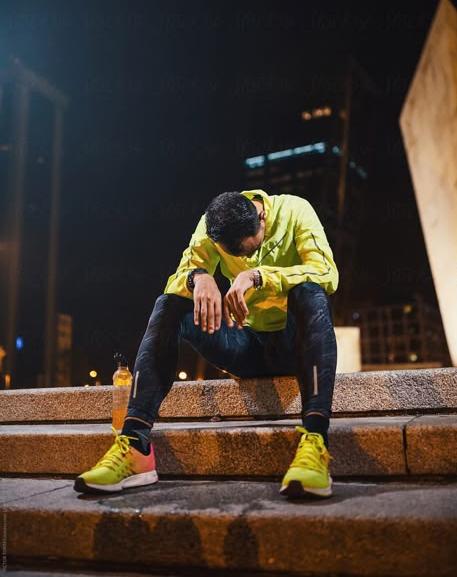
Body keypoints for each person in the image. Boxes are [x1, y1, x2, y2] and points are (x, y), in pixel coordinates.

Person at [74, 189, 339, 498]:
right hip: (245, 347)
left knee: (311, 292)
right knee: (169, 304)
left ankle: (316, 441)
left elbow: (327, 273)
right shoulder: (210, 225)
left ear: (262, 217)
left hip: (293, 346)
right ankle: (135, 446)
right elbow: (180, 276)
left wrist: (258, 275)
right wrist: (198, 277)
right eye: (238, 257)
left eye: (251, 250)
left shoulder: (295, 210)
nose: (245, 259)